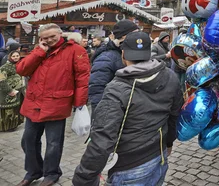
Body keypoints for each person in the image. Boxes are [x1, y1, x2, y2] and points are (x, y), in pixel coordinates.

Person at [73, 31, 183, 186]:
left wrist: (84, 177)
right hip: (159, 157)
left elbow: (102, 138)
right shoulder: (170, 75)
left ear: (123, 54)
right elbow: (174, 115)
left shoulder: (117, 88)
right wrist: (169, 143)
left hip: (129, 165)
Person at [16, 23, 90, 186]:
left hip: (58, 103)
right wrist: (39, 52)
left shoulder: (75, 50)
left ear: (60, 34)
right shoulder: (39, 50)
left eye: (52, 36)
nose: (49, 40)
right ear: (41, 38)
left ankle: (52, 173)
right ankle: (34, 171)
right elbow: (22, 70)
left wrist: (79, 104)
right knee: (28, 139)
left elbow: (82, 78)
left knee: (53, 143)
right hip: (34, 102)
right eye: (45, 37)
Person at [88, 20, 139, 114]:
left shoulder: (133, 53)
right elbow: (97, 90)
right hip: (113, 112)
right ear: (124, 36)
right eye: (135, 33)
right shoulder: (106, 57)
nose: (139, 36)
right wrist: (103, 117)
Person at [0, 50, 24, 131]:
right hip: (8, 91)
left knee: (15, 109)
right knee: (8, 110)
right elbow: (1, 80)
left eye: (17, 56)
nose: (15, 57)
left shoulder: (19, 65)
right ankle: (6, 127)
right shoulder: (4, 67)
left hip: (17, 91)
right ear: (10, 57)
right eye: (13, 56)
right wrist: (9, 91)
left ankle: (13, 125)